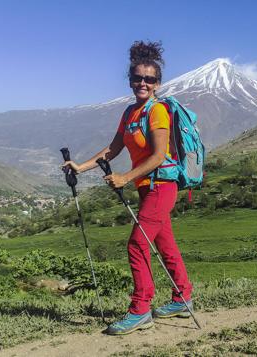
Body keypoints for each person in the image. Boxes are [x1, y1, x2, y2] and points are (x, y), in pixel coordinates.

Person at [61, 40, 193, 335]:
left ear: (158, 83)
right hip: (148, 187)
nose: (143, 83)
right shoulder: (130, 112)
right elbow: (113, 148)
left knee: (136, 243)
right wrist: (80, 167)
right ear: (130, 80)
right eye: (138, 78)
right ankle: (183, 296)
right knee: (164, 243)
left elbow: (159, 155)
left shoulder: (157, 111)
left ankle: (141, 308)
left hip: (162, 185)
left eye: (149, 79)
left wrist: (125, 178)